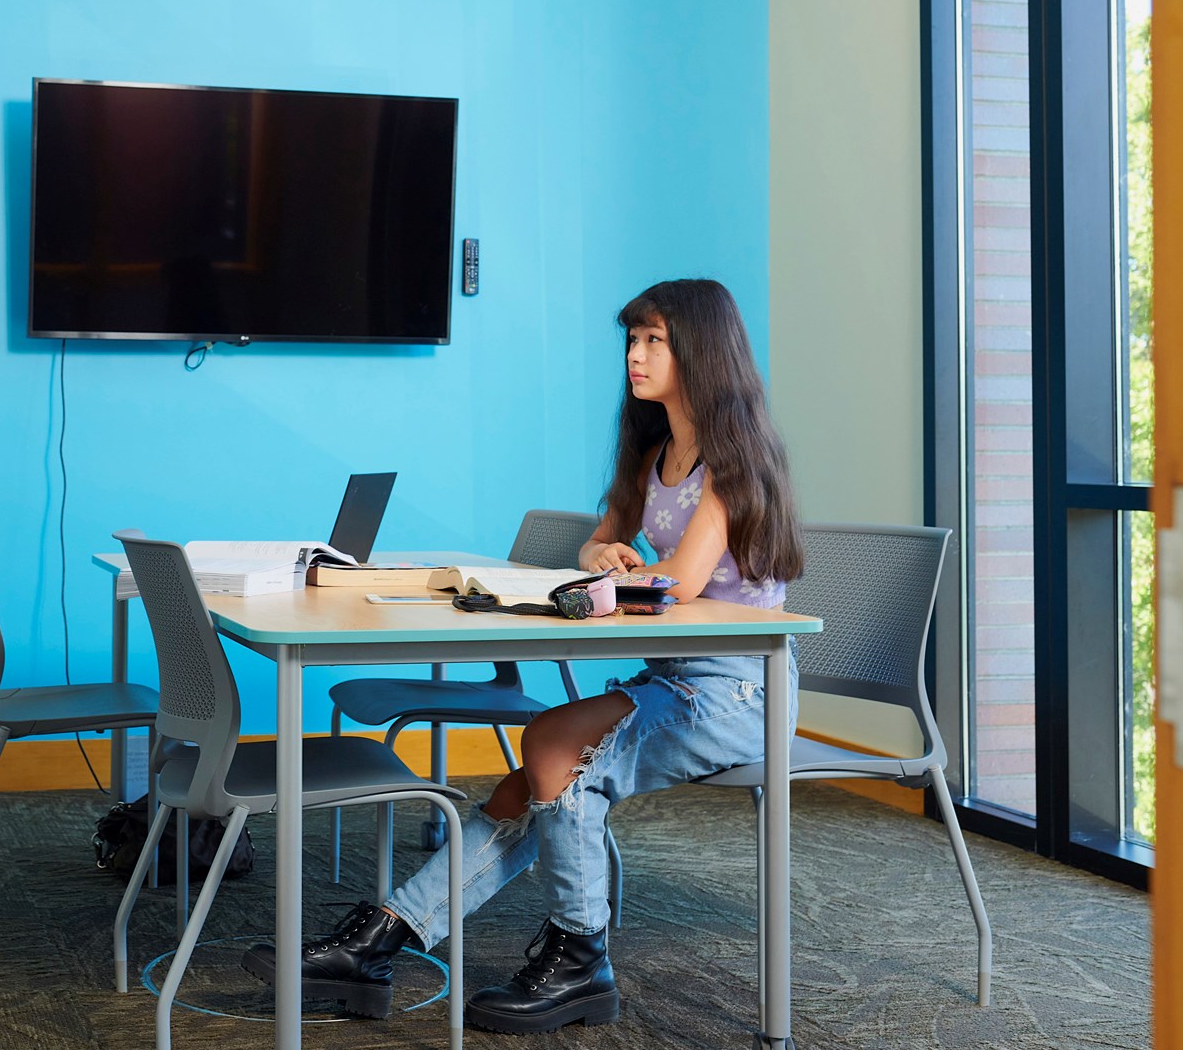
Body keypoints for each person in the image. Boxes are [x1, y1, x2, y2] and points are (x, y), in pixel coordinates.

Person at [245, 277, 804, 1036]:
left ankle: (581, 952)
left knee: (549, 744)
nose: (635, 356)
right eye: (631, 340)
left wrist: (631, 571)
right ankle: (380, 939)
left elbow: (685, 581)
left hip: (740, 690)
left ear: (699, 351)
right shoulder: (655, 456)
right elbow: (600, 543)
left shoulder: (732, 465)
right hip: (673, 676)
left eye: (653, 341)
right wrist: (604, 549)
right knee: (527, 784)